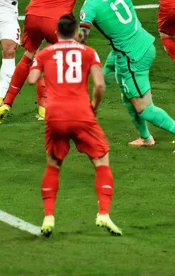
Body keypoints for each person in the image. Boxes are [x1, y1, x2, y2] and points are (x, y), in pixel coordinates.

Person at [79, 0, 175, 152]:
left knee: (143, 107)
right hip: (142, 44)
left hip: (131, 58)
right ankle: (145, 137)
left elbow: (83, 37)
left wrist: (67, 44)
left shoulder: (89, 7)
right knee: (126, 95)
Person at [27, 14, 121, 237]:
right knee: (101, 161)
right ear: (77, 32)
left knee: (53, 165)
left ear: (57, 32)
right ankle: (103, 213)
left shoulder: (44, 53)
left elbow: (31, 79)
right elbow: (99, 85)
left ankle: (48, 217)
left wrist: (44, 74)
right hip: (82, 113)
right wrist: (94, 107)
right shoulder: (88, 52)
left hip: (55, 115)